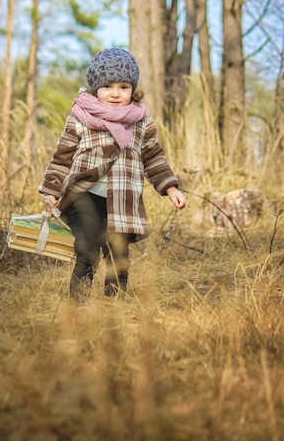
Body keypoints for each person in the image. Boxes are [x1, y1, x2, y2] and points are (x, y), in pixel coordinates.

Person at [38, 48, 186, 300]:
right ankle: (78, 306)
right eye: (107, 86)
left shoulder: (141, 122)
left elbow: (153, 157)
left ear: (133, 90)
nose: (115, 93)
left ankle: (113, 308)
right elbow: (62, 156)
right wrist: (52, 190)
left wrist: (170, 187)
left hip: (122, 199)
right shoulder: (80, 118)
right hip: (84, 195)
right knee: (87, 249)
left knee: (118, 256)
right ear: (96, 88)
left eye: (123, 87)